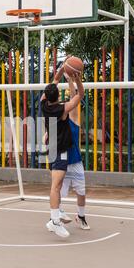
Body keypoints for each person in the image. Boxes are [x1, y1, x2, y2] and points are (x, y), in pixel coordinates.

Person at [40, 58, 85, 238]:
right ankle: (54, 221)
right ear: (57, 96)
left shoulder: (43, 105)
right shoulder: (63, 109)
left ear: (46, 96)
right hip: (61, 150)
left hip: (52, 149)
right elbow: (80, 95)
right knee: (56, 186)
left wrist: (60, 72)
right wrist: (77, 78)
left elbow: (52, 84)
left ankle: (56, 216)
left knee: (56, 186)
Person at [57, 73, 90, 230]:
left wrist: (71, 80)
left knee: (81, 192)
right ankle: (58, 213)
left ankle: (81, 216)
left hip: (75, 161)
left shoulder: (73, 121)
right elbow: (45, 141)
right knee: (57, 192)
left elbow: (74, 97)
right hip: (61, 163)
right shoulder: (56, 124)